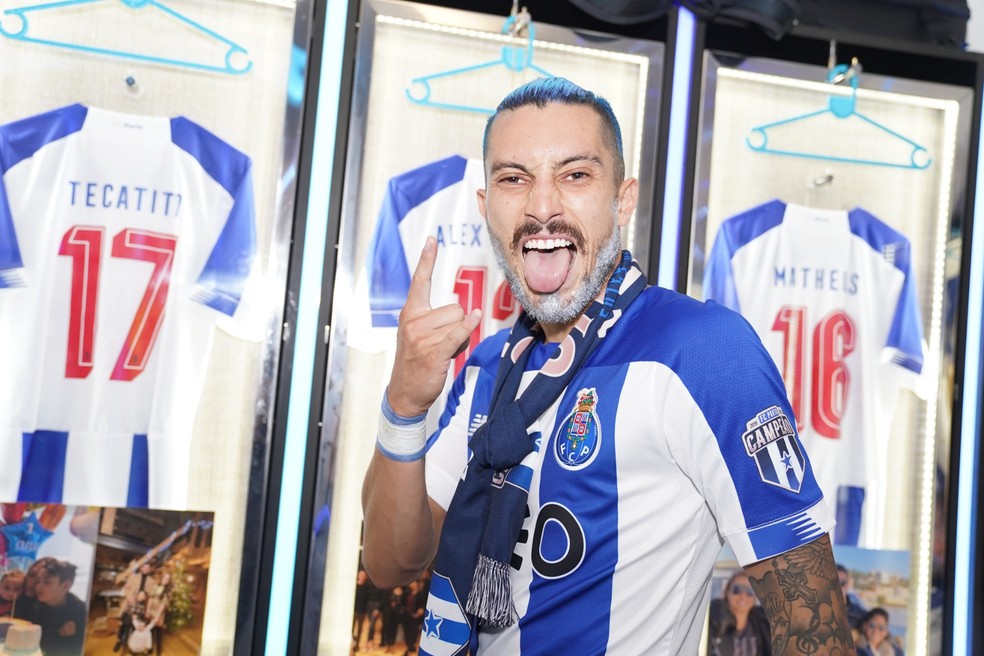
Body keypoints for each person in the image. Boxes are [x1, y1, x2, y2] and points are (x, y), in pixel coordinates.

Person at [360, 76, 854, 654]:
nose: (542, 207)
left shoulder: (701, 352)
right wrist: (403, 405)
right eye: (514, 179)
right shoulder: (490, 367)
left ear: (623, 199)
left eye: (574, 175)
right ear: (485, 206)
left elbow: (815, 629)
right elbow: (393, 563)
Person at [708, 572, 772, 656]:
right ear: (727, 592)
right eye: (737, 589)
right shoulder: (712, 621)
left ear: (755, 597)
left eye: (750, 591)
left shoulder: (764, 623)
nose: (743, 596)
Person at [33, 558, 87, 656]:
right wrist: (59, 632)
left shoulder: (79, 610)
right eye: (38, 581)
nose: (38, 587)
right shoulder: (34, 604)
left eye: (47, 582)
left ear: (66, 586)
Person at [13, 556, 57, 624]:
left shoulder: (52, 605)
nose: (32, 582)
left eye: (41, 580)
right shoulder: (14, 590)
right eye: (31, 575)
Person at [839, 563, 869, 634]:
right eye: (833, 583)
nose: (838, 587)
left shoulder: (860, 614)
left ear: (848, 584)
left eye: (842, 582)